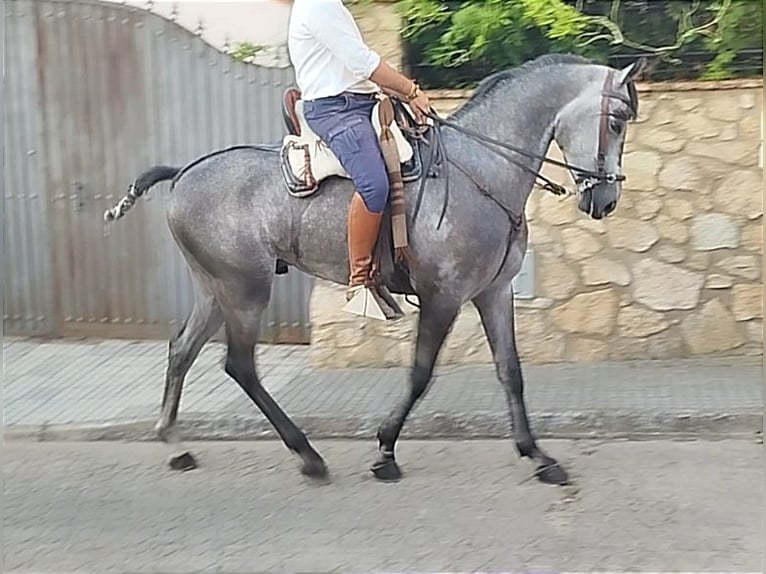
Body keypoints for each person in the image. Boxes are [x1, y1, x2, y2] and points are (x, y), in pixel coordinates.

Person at [284, 0, 432, 313]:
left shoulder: (331, 5)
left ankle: (403, 267)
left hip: (362, 103)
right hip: (334, 110)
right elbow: (362, 62)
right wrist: (411, 91)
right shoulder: (318, 6)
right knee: (374, 184)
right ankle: (361, 279)